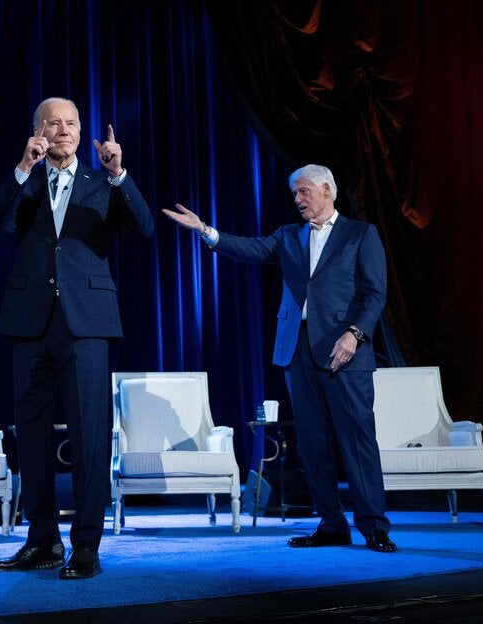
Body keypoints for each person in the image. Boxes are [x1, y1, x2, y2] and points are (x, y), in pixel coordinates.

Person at [162, 164, 396, 553]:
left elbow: (375, 294)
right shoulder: (289, 236)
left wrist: (354, 335)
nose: (298, 200)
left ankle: (374, 526)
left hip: (345, 351)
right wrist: (206, 230)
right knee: (312, 443)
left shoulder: (360, 234)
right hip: (297, 351)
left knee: (356, 440)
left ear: (326, 190)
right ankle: (332, 523)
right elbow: (251, 248)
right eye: (294, 194)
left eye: (303, 192)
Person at [0, 97, 155, 579]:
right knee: (33, 436)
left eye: (72, 124)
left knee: (89, 436)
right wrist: (23, 167)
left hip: (87, 324)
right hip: (30, 322)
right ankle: (42, 540)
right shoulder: (28, 181)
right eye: (53, 124)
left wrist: (120, 173)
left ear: (83, 133)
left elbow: (143, 227)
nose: (64, 131)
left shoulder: (102, 184)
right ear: (37, 131)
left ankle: (86, 546)